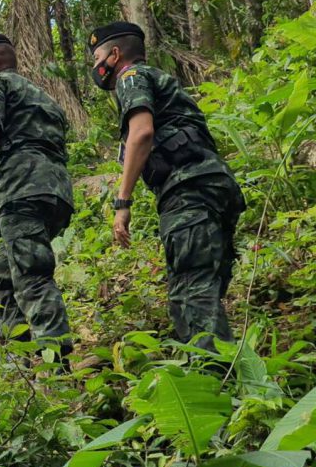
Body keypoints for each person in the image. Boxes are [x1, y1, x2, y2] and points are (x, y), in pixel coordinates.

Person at [88, 21, 244, 351]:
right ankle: (232, 378)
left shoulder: (131, 78)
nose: (96, 66)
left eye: (98, 57)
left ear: (115, 55)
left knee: (191, 294)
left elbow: (141, 134)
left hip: (188, 191)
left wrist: (122, 202)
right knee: (206, 287)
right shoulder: (163, 82)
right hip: (215, 187)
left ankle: (213, 383)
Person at [0, 32, 76, 358]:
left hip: (20, 192)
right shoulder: (43, 97)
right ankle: (19, 361)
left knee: (32, 278)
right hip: (53, 194)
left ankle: (59, 367)